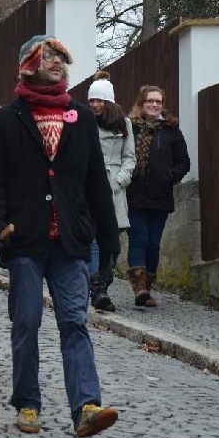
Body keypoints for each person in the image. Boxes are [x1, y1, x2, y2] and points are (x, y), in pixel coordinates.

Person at [0, 34, 120, 438]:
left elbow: (96, 182)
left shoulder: (81, 117)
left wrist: (108, 238)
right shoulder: (6, 119)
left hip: (71, 242)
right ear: (29, 65)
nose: (57, 63)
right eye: (49, 57)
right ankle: (27, 403)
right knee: (26, 321)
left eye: (61, 57)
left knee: (75, 322)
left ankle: (86, 407)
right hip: (24, 239)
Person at [125, 85, 190, 307]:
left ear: (162, 104)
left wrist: (167, 176)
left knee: (153, 244)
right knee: (138, 239)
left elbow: (184, 162)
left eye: (158, 101)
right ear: (141, 104)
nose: (154, 105)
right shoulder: (130, 128)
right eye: (150, 101)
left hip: (161, 197)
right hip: (135, 196)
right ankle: (139, 288)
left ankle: (147, 287)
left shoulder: (171, 130)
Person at [85, 71, 135, 312]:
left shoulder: (123, 124)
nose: (95, 105)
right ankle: (97, 290)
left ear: (109, 102)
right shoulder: (83, 121)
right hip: (89, 187)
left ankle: (102, 284)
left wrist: (120, 180)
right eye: (92, 100)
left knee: (112, 244)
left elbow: (130, 157)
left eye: (99, 100)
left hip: (113, 189)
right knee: (92, 238)